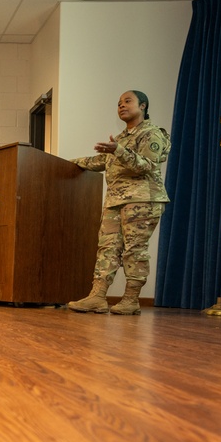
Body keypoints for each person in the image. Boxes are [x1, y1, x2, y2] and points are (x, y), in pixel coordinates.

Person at [68, 90, 171, 316]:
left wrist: (119, 150)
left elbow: (146, 165)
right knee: (108, 248)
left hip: (143, 199)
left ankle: (131, 299)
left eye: (127, 101)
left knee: (134, 250)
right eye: (118, 104)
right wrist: (65, 163)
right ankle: (97, 297)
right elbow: (100, 161)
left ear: (143, 106)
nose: (121, 106)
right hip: (115, 201)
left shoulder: (152, 134)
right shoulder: (122, 138)